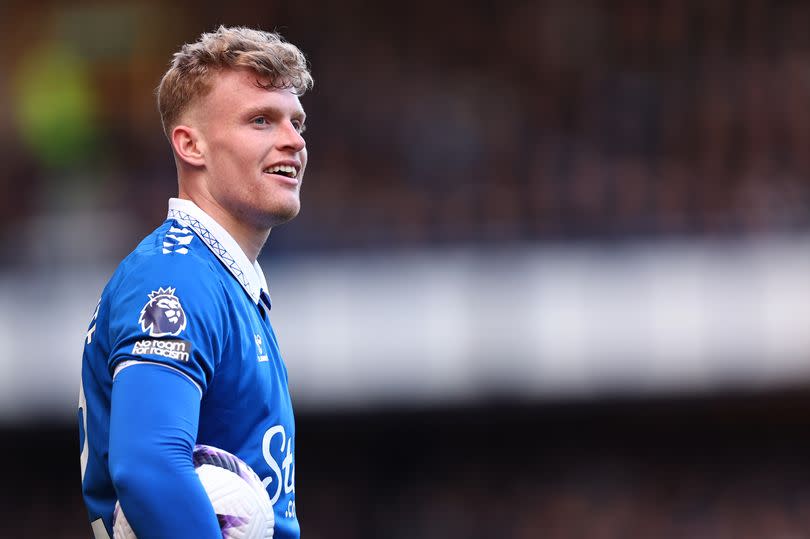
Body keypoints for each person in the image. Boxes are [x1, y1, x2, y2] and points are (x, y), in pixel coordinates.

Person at [78, 26, 313, 538]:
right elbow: (148, 466)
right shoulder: (177, 278)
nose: (293, 140)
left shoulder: (221, 279)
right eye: (261, 120)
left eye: (296, 122)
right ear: (191, 145)